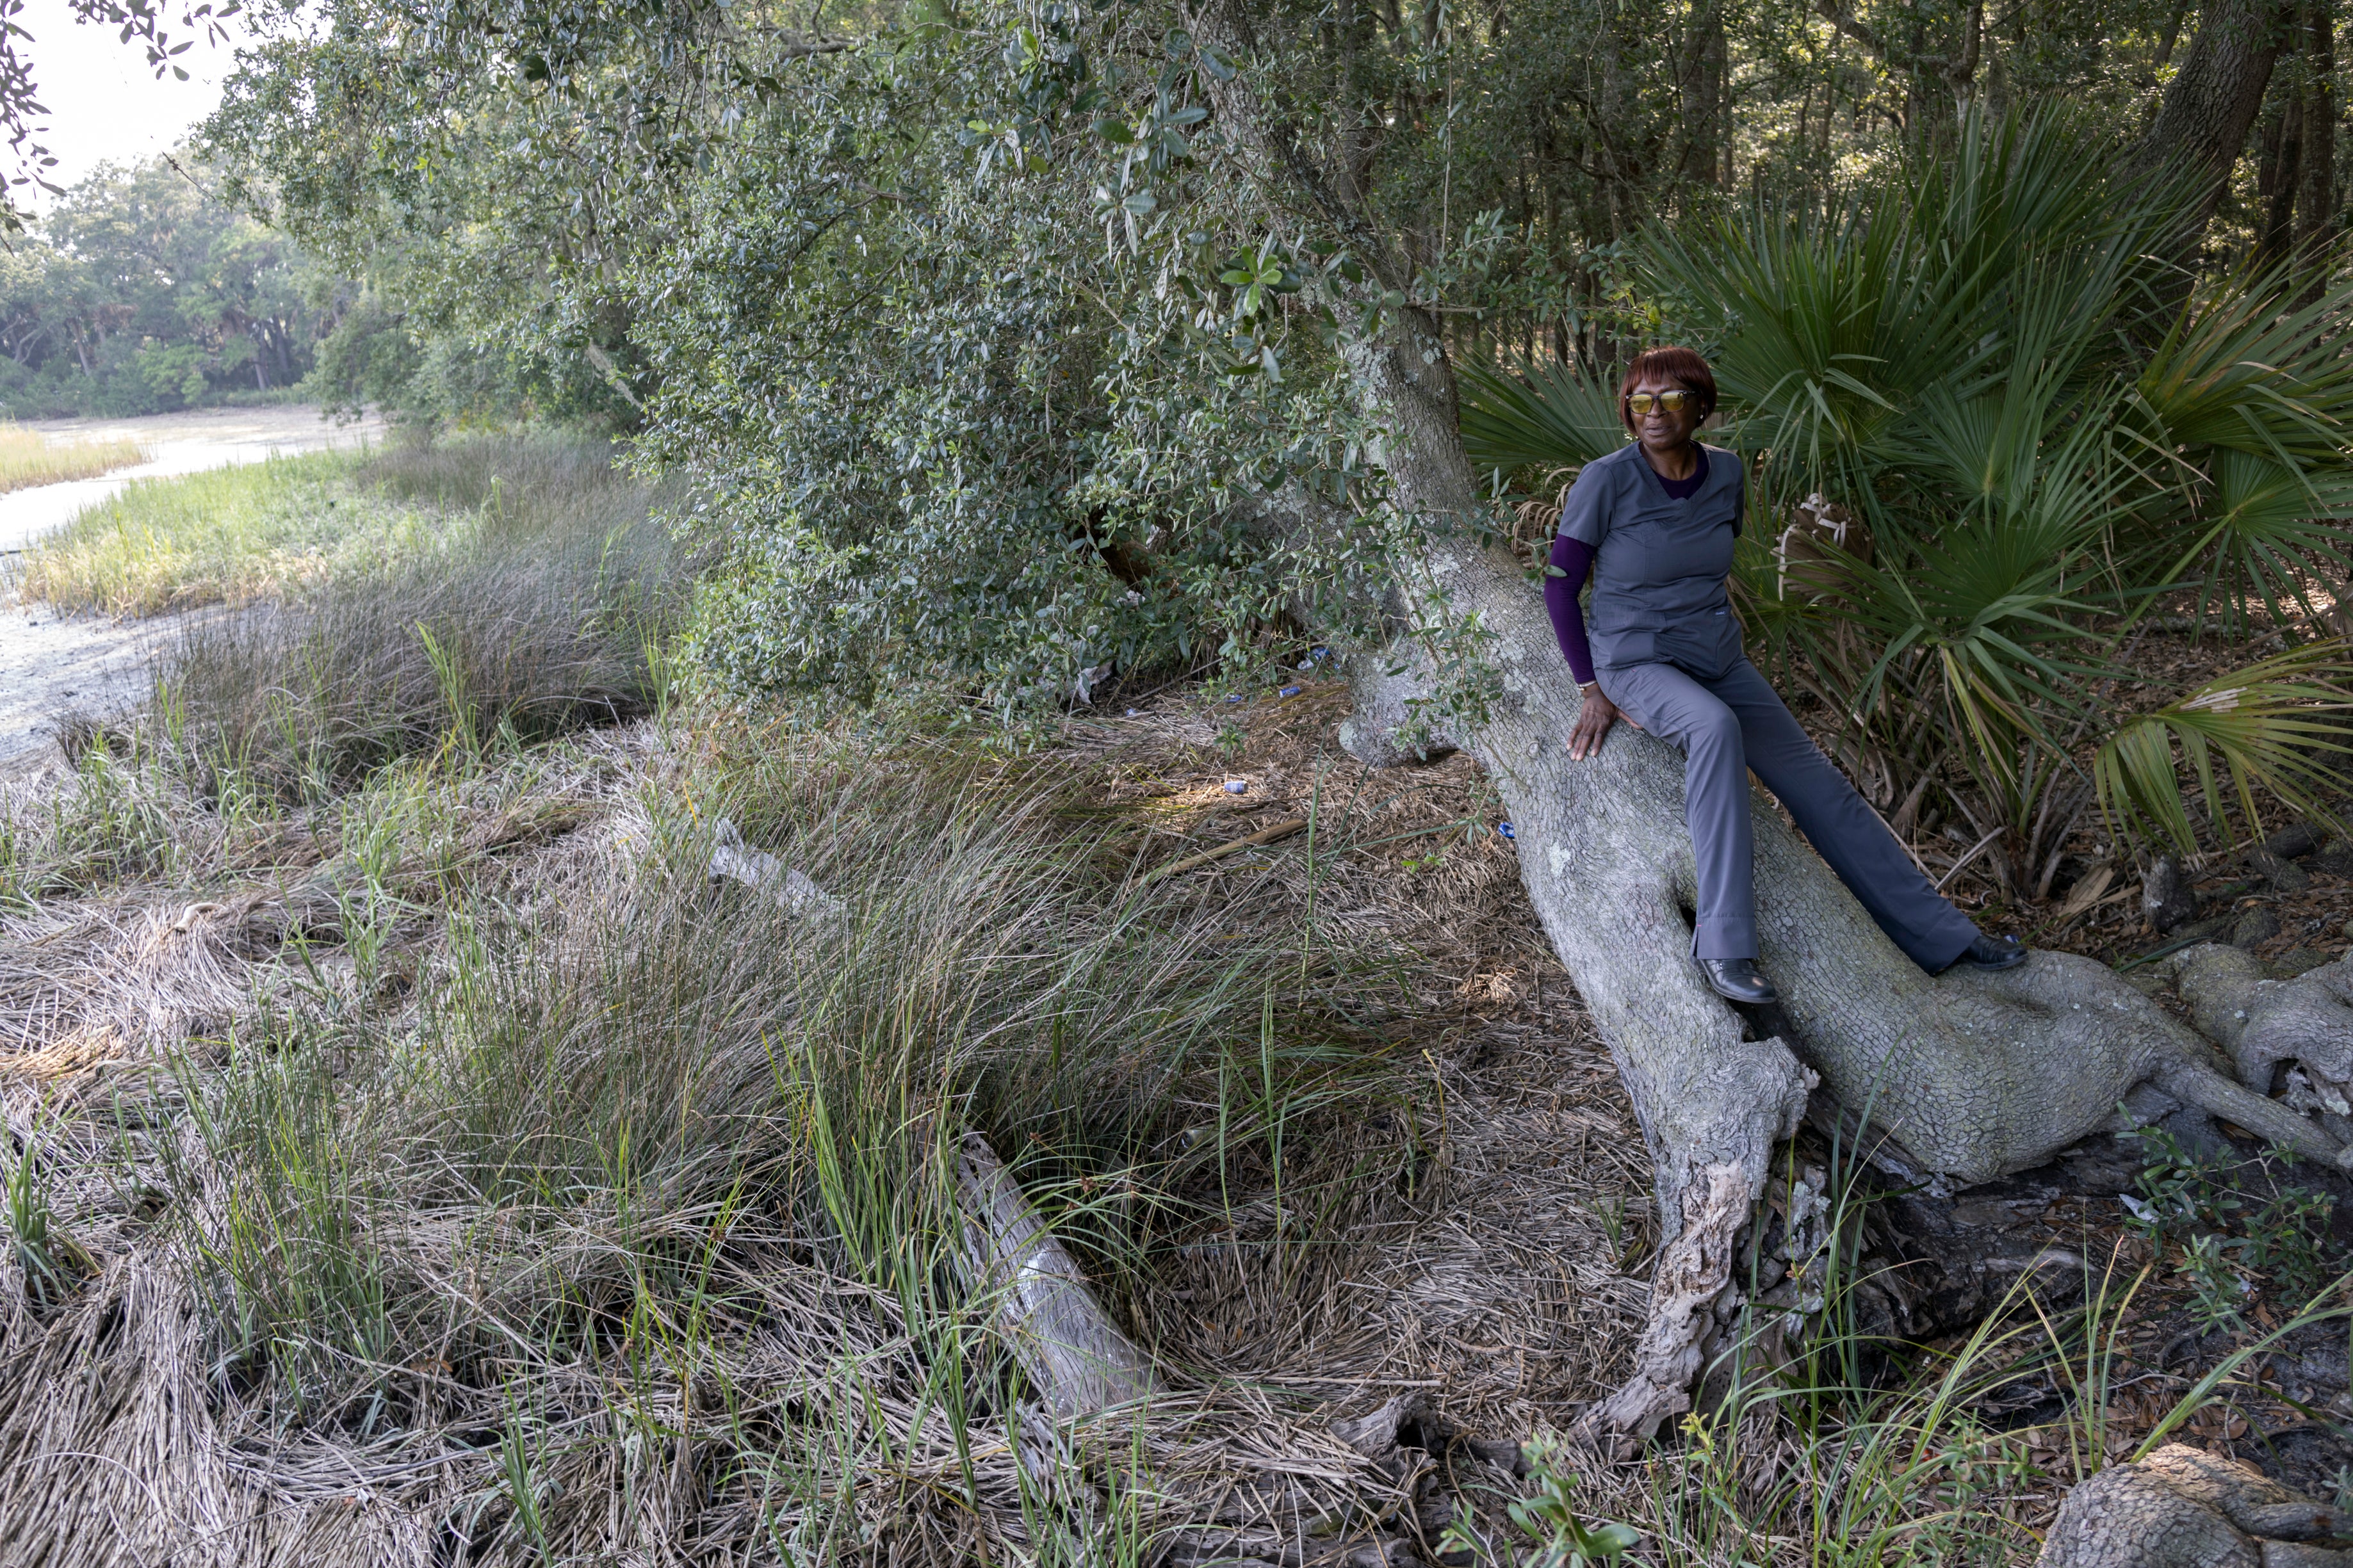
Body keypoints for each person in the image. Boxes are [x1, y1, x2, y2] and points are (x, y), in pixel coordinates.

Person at [1545, 345, 2026, 1005]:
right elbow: (1558, 587)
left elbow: (1710, 562)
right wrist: (1589, 686)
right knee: (1712, 730)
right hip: (1636, 656)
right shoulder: (1606, 480)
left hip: (1716, 653)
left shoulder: (1726, 473)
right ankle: (1723, 947)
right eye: (1639, 401)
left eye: (1671, 399)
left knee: (1818, 785)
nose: (1653, 413)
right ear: (1627, 411)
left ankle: (1942, 934)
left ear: (1701, 408)